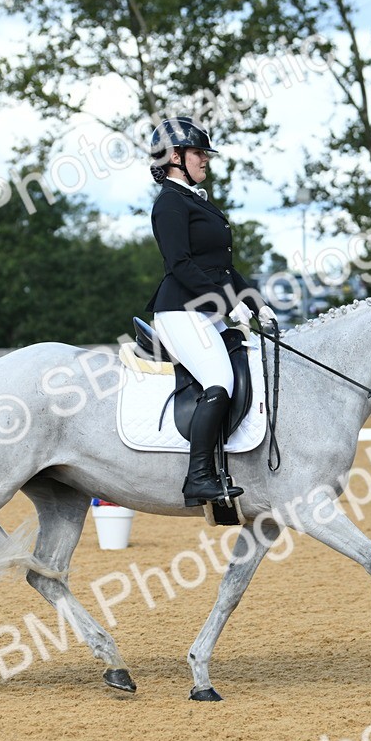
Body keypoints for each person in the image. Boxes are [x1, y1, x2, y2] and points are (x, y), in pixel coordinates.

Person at [144, 116, 274, 507]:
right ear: (175, 157)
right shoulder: (169, 203)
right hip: (180, 312)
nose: (205, 159)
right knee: (220, 380)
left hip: (206, 311)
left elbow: (224, 268)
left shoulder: (196, 200)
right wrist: (227, 302)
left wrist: (257, 304)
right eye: (199, 152)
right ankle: (198, 477)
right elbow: (180, 265)